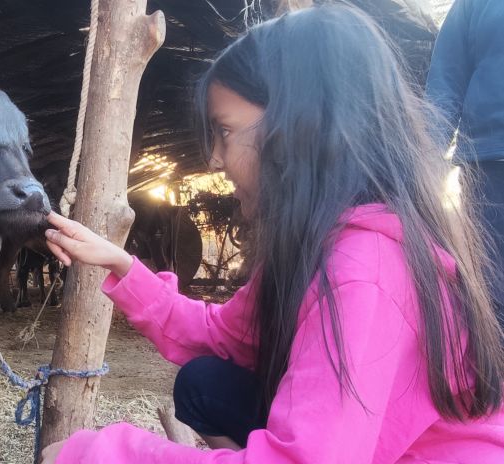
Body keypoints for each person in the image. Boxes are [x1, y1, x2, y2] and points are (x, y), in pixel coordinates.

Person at [39, 4, 504, 464]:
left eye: (225, 131)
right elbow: (221, 334)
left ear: (302, 128)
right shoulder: (320, 246)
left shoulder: (365, 272)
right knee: (204, 380)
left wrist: (97, 453)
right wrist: (119, 262)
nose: (215, 160)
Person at [426, 0, 504, 328]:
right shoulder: (475, 4)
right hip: (487, 167)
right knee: (491, 286)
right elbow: (445, 82)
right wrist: (424, 166)